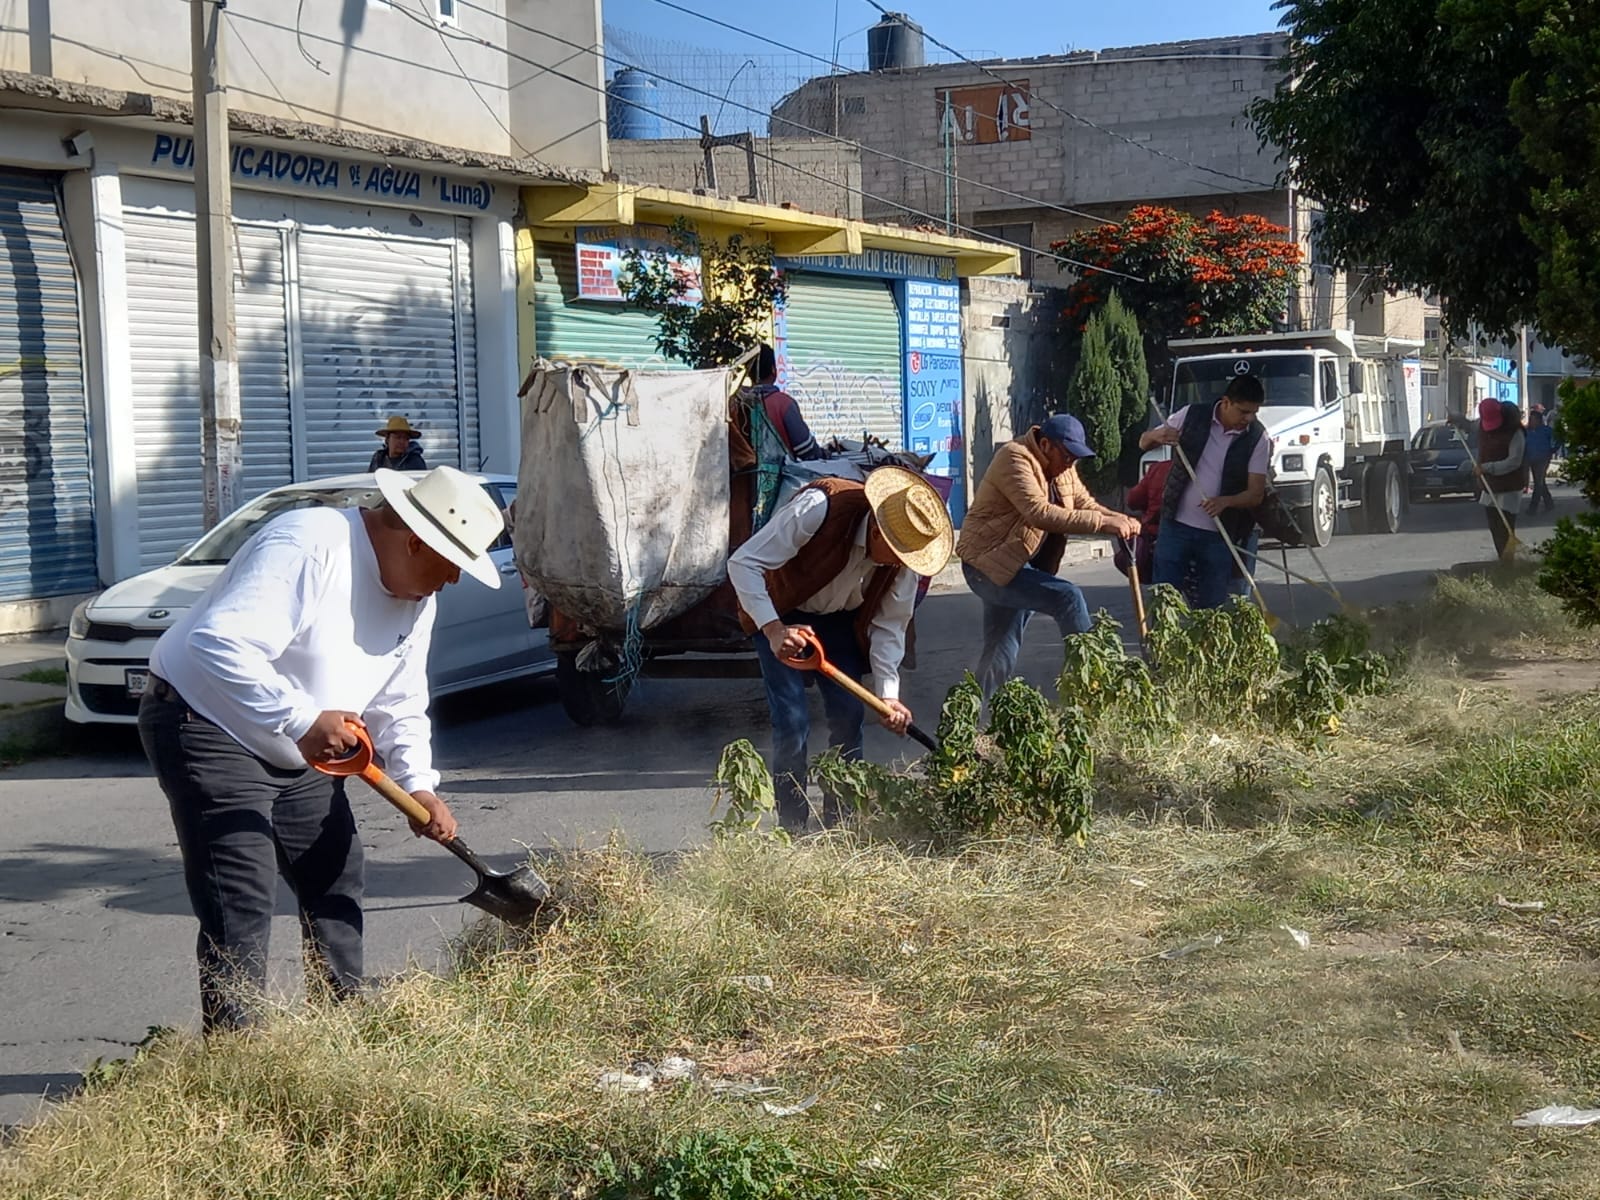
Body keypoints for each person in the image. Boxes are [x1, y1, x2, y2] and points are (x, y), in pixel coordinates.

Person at [138, 465, 512, 1032]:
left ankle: (339, 1031)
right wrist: (301, 718)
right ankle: (237, 1058)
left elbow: (402, 699)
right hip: (208, 722)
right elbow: (218, 643)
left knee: (334, 872)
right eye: (454, 566)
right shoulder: (309, 546)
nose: (455, 581)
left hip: (305, 747)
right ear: (416, 540)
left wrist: (418, 785)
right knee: (242, 893)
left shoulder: (418, 597)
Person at [729, 467, 953, 833]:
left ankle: (843, 824)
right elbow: (743, 563)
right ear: (879, 530)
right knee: (792, 722)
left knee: (849, 718)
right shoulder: (821, 507)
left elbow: (889, 625)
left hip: (840, 623)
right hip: (781, 610)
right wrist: (773, 629)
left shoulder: (905, 560)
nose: (899, 564)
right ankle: (793, 825)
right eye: (895, 554)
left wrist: (888, 696)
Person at [957, 413, 1140, 697]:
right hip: (986, 566)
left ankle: (972, 721)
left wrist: (1120, 519)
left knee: (1001, 649)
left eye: (1075, 458)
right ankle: (1092, 681)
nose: (1071, 464)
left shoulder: (1064, 468)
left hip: (1018, 565)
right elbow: (1039, 513)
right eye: (1067, 456)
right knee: (1066, 597)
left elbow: (1084, 503)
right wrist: (1104, 524)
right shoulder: (1015, 458)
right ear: (1045, 445)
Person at [1138, 375, 1269, 609]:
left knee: (1212, 607)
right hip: (1175, 526)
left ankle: (1207, 646)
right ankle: (1163, 645)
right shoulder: (1192, 415)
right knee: (1164, 597)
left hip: (1219, 535)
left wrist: (1226, 502)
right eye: (1243, 411)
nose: (1248, 419)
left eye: (1254, 412)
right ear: (1226, 402)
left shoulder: (1258, 438)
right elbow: (1143, 443)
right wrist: (1157, 436)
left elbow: (1255, 494)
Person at [748, 343, 824, 460]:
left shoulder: (736, 404)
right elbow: (806, 449)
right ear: (774, 370)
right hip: (782, 474)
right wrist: (823, 454)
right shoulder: (783, 403)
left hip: (742, 476)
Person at [1476, 398, 1528, 559]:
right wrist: (1457, 420)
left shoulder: (1516, 432)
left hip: (1510, 487)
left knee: (1505, 526)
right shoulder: (1482, 427)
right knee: (1494, 525)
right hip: (1490, 486)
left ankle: (1508, 562)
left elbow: (1514, 462)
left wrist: (1487, 467)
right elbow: (1468, 426)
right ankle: (1502, 558)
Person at [1117, 457, 1174, 584]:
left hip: (1158, 537)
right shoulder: (1212, 469)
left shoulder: (1158, 469)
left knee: (1163, 591)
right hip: (1207, 537)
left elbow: (1133, 500)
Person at [1525, 404, 1555, 514]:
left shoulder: (1546, 430)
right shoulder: (1526, 431)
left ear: (1539, 420)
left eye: (1534, 420)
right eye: (1531, 419)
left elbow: (1558, 438)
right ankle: (1549, 502)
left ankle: (1533, 507)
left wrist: (1553, 449)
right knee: (1540, 481)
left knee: (1538, 482)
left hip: (1543, 458)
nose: (1532, 422)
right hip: (1531, 458)